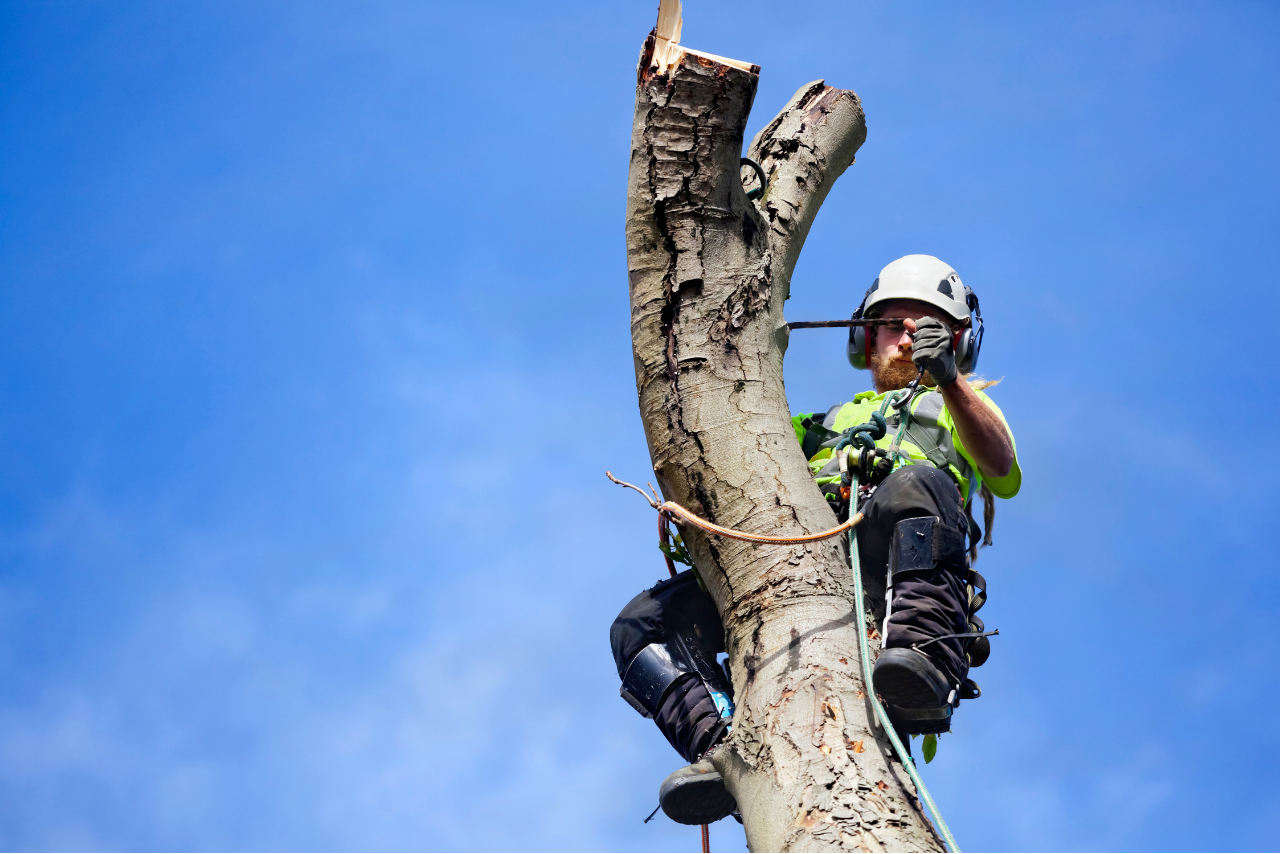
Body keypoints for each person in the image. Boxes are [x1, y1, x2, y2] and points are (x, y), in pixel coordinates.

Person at [609, 254, 1021, 825]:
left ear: (956, 341)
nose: (907, 338)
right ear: (864, 338)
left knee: (916, 482)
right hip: (800, 550)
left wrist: (950, 379)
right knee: (639, 626)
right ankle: (723, 750)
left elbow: (1001, 466)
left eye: (925, 328)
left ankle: (921, 658)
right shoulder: (819, 425)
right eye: (891, 325)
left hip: (895, 553)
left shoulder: (958, 406)